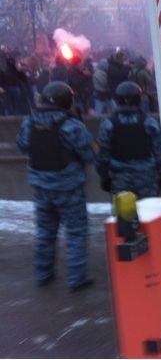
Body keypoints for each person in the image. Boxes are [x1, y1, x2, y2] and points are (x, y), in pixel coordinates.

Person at [16, 81, 96, 292]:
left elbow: (22, 145)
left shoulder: (29, 122)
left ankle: (43, 273)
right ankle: (76, 278)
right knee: (76, 232)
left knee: (45, 231)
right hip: (69, 188)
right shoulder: (72, 125)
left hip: (40, 187)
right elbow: (91, 153)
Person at [96, 81, 161, 199]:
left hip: (119, 178)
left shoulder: (108, 124)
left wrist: (104, 176)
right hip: (146, 177)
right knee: (148, 209)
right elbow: (159, 152)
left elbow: (103, 154)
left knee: (122, 211)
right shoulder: (149, 122)